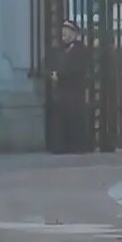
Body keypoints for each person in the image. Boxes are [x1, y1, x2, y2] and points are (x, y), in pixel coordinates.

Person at [49, 19, 91, 153]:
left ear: (74, 33)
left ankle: (78, 146)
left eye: (67, 33)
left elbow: (78, 69)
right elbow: (49, 63)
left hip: (74, 90)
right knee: (61, 119)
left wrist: (60, 75)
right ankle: (60, 146)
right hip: (61, 91)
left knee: (75, 118)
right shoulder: (59, 49)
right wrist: (52, 73)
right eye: (63, 33)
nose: (64, 36)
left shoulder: (80, 50)